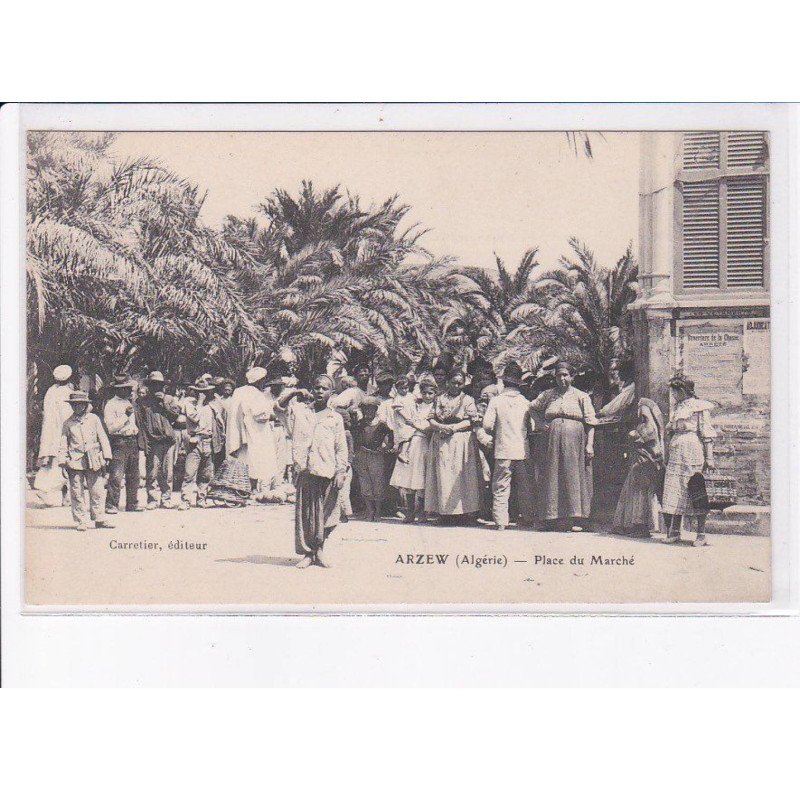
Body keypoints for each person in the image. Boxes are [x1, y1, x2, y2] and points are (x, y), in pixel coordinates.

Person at [529, 361, 597, 531]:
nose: (562, 379)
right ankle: (552, 517)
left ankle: (576, 517)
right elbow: (532, 408)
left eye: (565, 375)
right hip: (551, 441)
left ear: (572, 377)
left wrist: (589, 445)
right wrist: (540, 423)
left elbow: (590, 422)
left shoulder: (581, 396)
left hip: (575, 441)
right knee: (552, 475)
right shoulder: (547, 395)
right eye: (559, 375)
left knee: (573, 474)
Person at [289, 375, 348, 568]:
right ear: (312, 390)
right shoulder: (301, 412)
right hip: (306, 470)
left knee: (327, 514)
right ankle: (308, 553)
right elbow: (279, 408)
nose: (320, 391)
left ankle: (319, 550)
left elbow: (341, 447)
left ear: (332, 393)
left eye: (325, 388)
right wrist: (294, 392)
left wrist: (341, 471)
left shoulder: (335, 418)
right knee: (307, 515)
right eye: (317, 388)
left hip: (327, 470)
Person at [661, 375, 716, 546]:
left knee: (695, 489)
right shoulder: (677, 407)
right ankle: (675, 531)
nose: (673, 395)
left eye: (675, 391)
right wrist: (667, 452)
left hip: (692, 450)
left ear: (683, 391)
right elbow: (670, 431)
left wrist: (709, 458)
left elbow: (707, 434)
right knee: (675, 490)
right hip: (676, 452)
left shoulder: (699, 407)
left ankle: (701, 534)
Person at [482, 361, 536, 531]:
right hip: (521, 450)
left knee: (501, 486)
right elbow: (533, 426)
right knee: (525, 487)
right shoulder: (525, 402)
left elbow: (487, 425)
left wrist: (497, 431)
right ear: (519, 383)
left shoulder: (496, 401)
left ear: (504, 381)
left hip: (503, 449)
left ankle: (501, 521)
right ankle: (527, 518)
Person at [424, 369, 483, 520]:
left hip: (460, 440)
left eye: (460, 383)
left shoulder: (467, 400)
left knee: (461, 476)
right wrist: (441, 427)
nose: (456, 386)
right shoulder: (439, 399)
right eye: (453, 382)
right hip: (441, 440)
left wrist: (453, 428)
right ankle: (445, 514)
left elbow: (471, 420)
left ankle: (465, 513)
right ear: (448, 382)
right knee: (444, 476)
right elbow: (431, 418)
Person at [57, 390, 114, 531]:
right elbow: (63, 443)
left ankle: (99, 518)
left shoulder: (94, 419)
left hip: (93, 459)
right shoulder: (68, 423)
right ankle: (80, 520)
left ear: (85, 405)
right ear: (72, 406)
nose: (78, 407)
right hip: (75, 461)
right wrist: (63, 461)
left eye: (81, 404)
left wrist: (106, 455)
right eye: (75, 405)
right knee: (77, 492)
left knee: (97, 490)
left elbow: (102, 437)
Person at [612, 398, 665, 537]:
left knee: (640, 494)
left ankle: (640, 526)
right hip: (642, 462)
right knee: (637, 493)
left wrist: (633, 435)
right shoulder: (648, 426)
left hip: (644, 464)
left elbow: (647, 442)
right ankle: (633, 524)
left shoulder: (648, 427)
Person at [390, 376, 437, 523]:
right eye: (424, 393)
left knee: (422, 479)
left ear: (435, 393)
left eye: (430, 393)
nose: (427, 396)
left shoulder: (435, 408)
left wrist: (416, 425)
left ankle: (421, 512)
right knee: (409, 479)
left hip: (426, 443)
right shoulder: (415, 404)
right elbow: (402, 416)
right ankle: (410, 512)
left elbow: (429, 428)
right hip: (413, 442)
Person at [226, 367, 278, 493]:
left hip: (241, 432)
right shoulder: (255, 394)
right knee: (255, 460)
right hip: (255, 432)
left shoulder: (239, 391)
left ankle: (243, 488)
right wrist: (271, 415)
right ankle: (252, 488)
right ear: (259, 380)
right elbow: (260, 415)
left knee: (245, 460)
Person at [136, 371, 181, 509]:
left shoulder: (169, 399)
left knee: (167, 471)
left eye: (159, 384)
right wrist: (144, 442)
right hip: (153, 440)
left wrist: (164, 403)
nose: (156, 387)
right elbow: (140, 423)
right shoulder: (143, 402)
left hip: (168, 439)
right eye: (153, 384)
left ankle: (166, 498)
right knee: (152, 470)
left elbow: (175, 415)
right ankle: (152, 499)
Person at [34, 364, 74, 506]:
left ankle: (66, 497)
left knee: (52, 464)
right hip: (60, 433)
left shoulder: (51, 391)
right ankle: (45, 490)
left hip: (49, 433)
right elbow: (67, 415)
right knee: (61, 466)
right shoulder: (67, 393)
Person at [103, 377, 143, 514]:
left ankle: (132, 503)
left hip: (132, 441)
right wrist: (125, 416)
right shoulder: (111, 405)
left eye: (129, 388)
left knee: (134, 475)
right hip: (119, 441)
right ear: (118, 390)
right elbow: (111, 428)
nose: (128, 391)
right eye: (125, 389)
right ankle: (111, 504)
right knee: (116, 475)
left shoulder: (129, 402)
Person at [353, 397, 393, 521]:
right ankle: (369, 510)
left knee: (378, 482)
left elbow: (391, 439)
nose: (368, 412)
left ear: (375, 410)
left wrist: (385, 448)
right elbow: (355, 438)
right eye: (365, 409)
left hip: (376, 456)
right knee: (365, 483)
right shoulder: (360, 424)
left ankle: (378, 512)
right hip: (362, 455)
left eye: (371, 409)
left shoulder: (382, 425)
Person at [179, 379, 217, 509]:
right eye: (200, 392)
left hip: (208, 441)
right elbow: (194, 418)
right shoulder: (189, 405)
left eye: (205, 392)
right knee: (190, 473)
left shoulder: (210, 407)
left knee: (206, 473)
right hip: (195, 440)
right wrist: (199, 403)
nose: (203, 394)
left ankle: (201, 498)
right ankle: (185, 500)